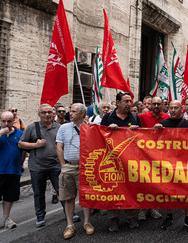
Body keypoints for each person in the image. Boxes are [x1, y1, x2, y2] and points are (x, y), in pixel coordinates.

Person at [154, 100, 188, 232]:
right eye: (171, 108)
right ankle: (168, 216)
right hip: (167, 164)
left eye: (176, 108)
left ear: (182, 109)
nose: (173, 110)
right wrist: (155, 130)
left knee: (187, 190)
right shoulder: (162, 124)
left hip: (185, 164)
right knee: (169, 190)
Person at [101, 92, 142, 232]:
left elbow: (143, 139)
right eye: (125, 101)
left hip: (130, 160)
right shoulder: (108, 117)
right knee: (114, 189)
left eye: (130, 101)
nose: (129, 103)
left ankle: (131, 216)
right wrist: (108, 129)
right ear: (117, 102)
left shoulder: (135, 117)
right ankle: (114, 218)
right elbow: (100, 136)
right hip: (113, 161)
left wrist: (137, 132)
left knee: (130, 188)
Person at [18, 104, 64, 228]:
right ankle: (40, 216)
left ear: (53, 113)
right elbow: (21, 144)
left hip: (56, 165)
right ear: (39, 114)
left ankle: (69, 213)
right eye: (44, 113)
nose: (47, 115)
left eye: (49, 112)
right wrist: (35, 146)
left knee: (62, 191)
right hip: (37, 167)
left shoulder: (59, 127)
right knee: (39, 193)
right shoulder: (32, 127)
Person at [57, 103, 94, 239]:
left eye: (73, 111)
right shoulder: (64, 127)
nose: (70, 113)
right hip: (69, 166)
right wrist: (63, 165)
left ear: (82, 114)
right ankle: (70, 225)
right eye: (70, 111)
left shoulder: (89, 128)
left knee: (86, 196)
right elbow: (59, 147)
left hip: (86, 167)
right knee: (68, 197)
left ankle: (87, 222)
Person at [137, 97, 168, 221]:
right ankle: (142, 210)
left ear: (162, 105)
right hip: (144, 155)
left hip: (160, 156)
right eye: (154, 103)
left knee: (155, 183)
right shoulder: (142, 117)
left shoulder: (167, 118)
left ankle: (153, 208)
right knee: (143, 182)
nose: (156, 105)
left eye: (158, 104)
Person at [0, 111, 25, 229]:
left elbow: (23, 150)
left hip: (12, 170)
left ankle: (6, 218)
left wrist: (21, 164)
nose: (6, 124)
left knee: (9, 197)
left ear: (13, 120)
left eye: (9, 121)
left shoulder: (19, 133)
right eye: (3, 121)